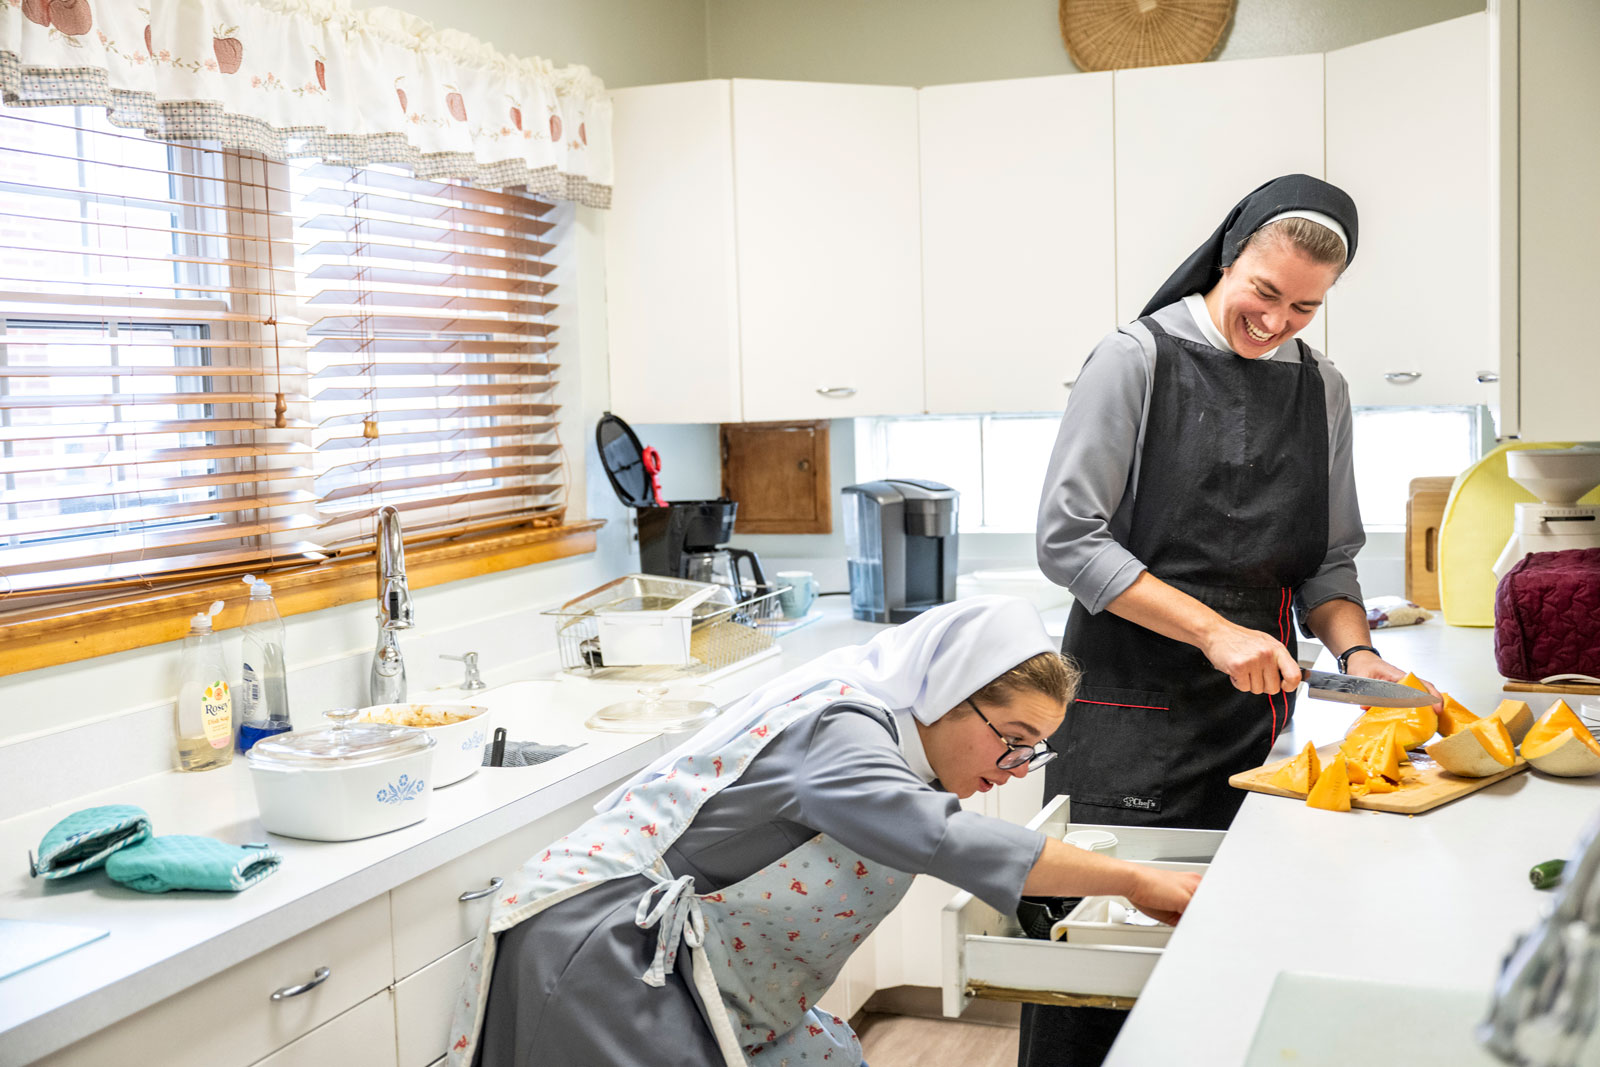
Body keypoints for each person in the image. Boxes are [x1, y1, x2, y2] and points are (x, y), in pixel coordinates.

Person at [1022, 174, 1441, 1067]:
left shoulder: (1321, 388)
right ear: (1227, 256)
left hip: (1256, 728)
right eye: (1263, 290)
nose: (1277, 320)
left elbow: (1327, 558)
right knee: (1098, 987)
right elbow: (1067, 540)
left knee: (1225, 977)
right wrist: (1214, 631)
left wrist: (1361, 656)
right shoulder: (1135, 359)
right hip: (1126, 724)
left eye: (1304, 306)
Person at [445, 596, 1201, 1067]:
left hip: (695, 966)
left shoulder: (899, 747)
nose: (1016, 765)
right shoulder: (845, 731)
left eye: (1034, 747)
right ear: (946, 693)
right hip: (608, 952)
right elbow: (938, 838)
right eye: (1011, 736)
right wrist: (1137, 880)